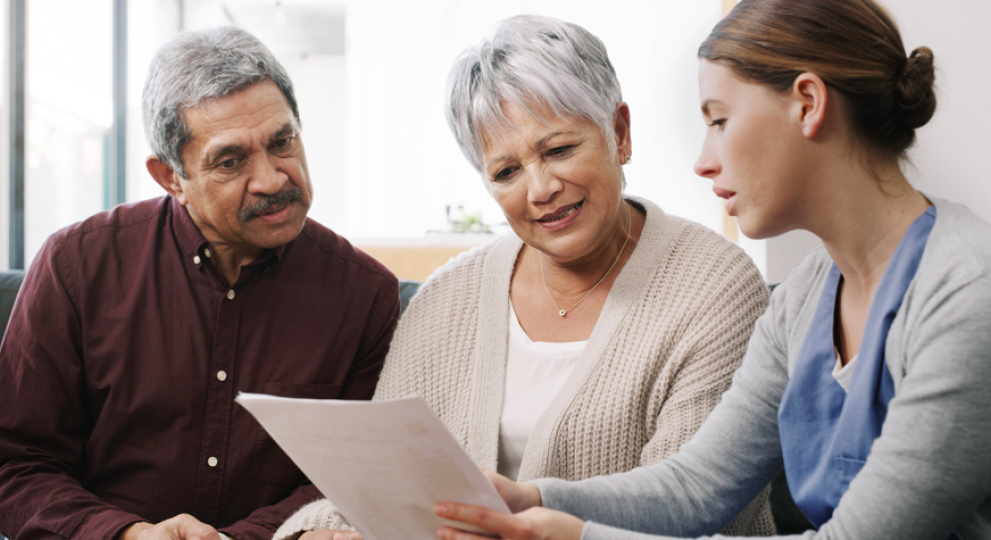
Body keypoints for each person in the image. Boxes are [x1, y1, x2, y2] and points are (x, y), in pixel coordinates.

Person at [430, 0, 991, 539]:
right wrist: (538, 501)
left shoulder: (967, 295)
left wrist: (578, 536)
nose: (703, 160)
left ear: (808, 104)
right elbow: (695, 488)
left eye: (719, 120)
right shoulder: (806, 298)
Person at [274, 15, 774, 540]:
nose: (539, 189)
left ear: (619, 133)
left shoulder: (714, 286)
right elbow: (376, 487)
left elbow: (693, 510)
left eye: (558, 150)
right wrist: (319, 533)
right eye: (506, 172)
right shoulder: (445, 299)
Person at [0, 26, 399, 540]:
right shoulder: (76, 265)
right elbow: (15, 463)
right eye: (231, 162)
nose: (273, 179)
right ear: (170, 177)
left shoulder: (366, 296)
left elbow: (351, 475)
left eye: (282, 142)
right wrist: (125, 534)